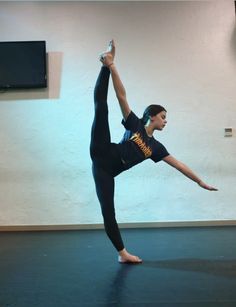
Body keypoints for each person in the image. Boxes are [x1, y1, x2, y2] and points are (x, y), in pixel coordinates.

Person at [90, 40, 218, 264]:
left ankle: (122, 254)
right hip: (103, 150)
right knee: (101, 108)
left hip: (106, 172)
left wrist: (199, 181)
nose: (166, 121)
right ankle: (104, 63)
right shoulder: (136, 124)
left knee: (108, 211)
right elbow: (121, 96)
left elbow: (178, 164)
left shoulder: (156, 148)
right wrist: (112, 66)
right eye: (163, 117)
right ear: (152, 116)